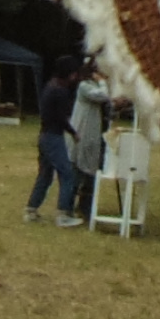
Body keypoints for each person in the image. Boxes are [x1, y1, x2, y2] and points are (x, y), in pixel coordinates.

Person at [25, 60, 76, 222]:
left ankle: (31, 210)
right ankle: (63, 214)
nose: (75, 77)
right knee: (67, 174)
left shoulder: (49, 87)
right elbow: (61, 117)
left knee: (45, 175)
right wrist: (73, 132)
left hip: (44, 136)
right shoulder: (60, 91)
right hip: (54, 137)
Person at [61, 66, 111, 224]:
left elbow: (108, 101)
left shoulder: (96, 86)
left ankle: (85, 208)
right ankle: (66, 209)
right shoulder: (84, 86)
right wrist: (103, 83)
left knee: (91, 176)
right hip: (82, 136)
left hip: (96, 137)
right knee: (76, 175)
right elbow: (102, 96)